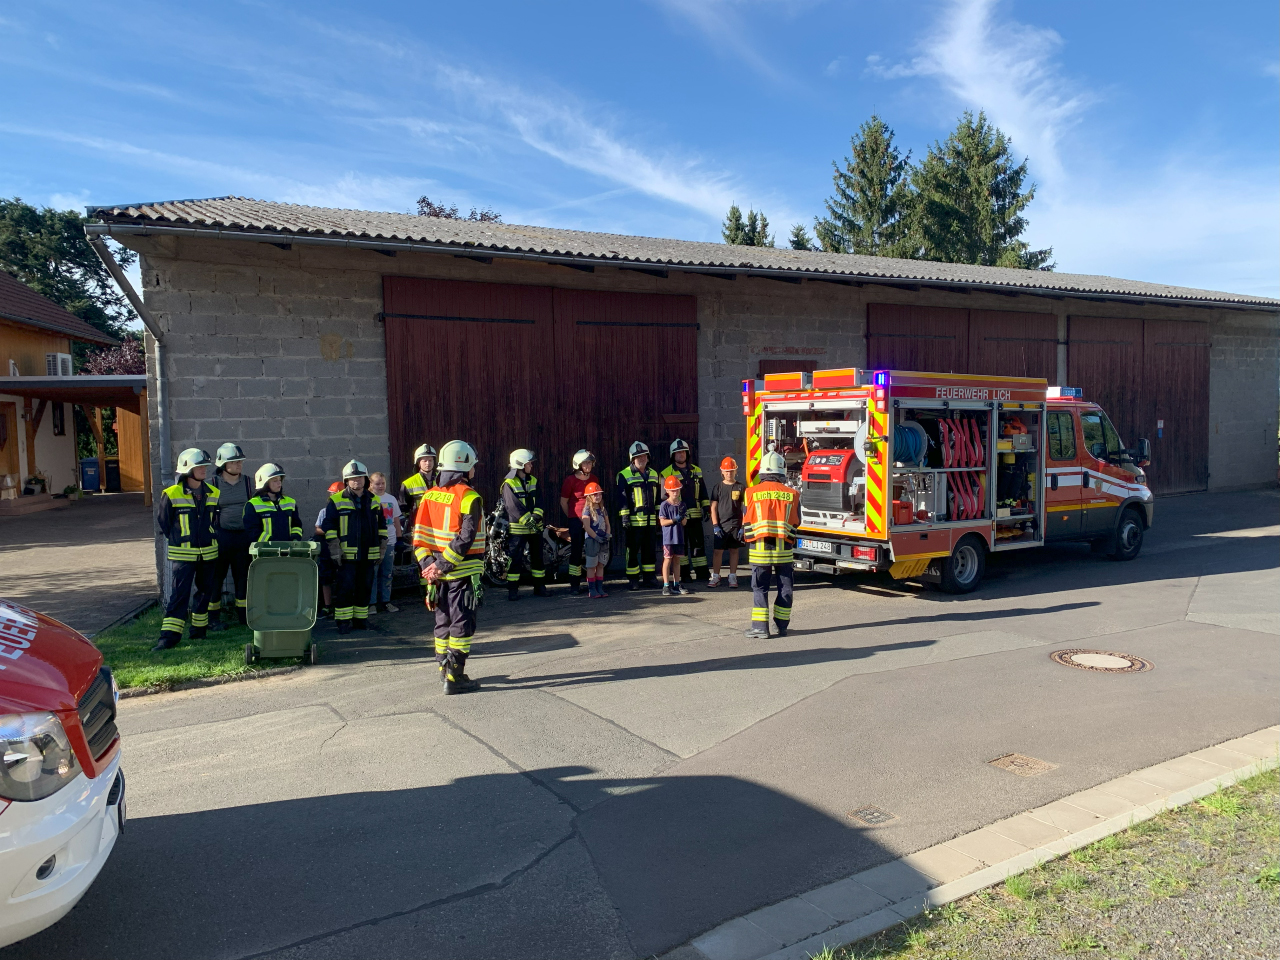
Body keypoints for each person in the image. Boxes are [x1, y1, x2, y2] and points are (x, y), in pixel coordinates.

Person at [412, 440, 485, 695]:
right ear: (463, 467)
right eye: (472, 465)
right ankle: (456, 676)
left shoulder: (429, 495)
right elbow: (465, 539)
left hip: (436, 575)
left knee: (442, 621)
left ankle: (443, 670)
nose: (475, 470)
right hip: (461, 573)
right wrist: (443, 565)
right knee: (462, 622)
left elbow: (419, 536)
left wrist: (429, 566)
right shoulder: (469, 496)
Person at [154, 448, 221, 651]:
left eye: (205, 466)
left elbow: (214, 521)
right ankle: (168, 638)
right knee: (179, 596)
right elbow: (164, 522)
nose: (204, 469)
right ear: (186, 469)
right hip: (183, 555)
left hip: (208, 553)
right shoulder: (171, 493)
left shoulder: (213, 493)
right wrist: (180, 540)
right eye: (199, 466)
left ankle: (199, 632)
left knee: (204, 594)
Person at [321, 460, 387, 634]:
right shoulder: (336, 500)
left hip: (368, 554)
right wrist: (335, 550)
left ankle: (360, 620)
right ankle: (343, 622)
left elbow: (382, 526)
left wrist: (382, 547)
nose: (356, 481)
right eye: (352, 478)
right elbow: (329, 527)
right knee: (345, 589)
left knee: (364, 589)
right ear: (346, 481)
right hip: (346, 557)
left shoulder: (374, 501)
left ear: (365, 479)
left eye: (359, 478)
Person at [741, 451, 800, 639]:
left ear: (763, 471)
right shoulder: (793, 494)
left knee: (760, 588)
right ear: (782, 471)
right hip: (784, 551)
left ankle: (760, 628)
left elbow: (746, 519)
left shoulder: (750, 493)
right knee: (785, 587)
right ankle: (781, 626)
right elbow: (797, 522)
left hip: (759, 549)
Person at [209, 442, 252, 629]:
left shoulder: (249, 483)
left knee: (243, 578)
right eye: (234, 462)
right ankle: (213, 619)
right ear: (223, 465)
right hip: (220, 537)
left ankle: (243, 618)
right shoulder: (212, 484)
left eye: (240, 461)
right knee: (216, 579)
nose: (238, 465)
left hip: (243, 538)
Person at [660, 439, 711, 583]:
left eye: (683, 452)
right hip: (678, 518)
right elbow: (663, 498)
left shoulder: (696, 470)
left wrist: (706, 508)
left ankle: (702, 573)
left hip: (695, 515)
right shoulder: (666, 473)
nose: (681, 454)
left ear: (687, 453)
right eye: (678, 452)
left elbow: (703, 492)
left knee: (698, 546)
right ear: (673, 455)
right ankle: (684, 575)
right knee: (682, 547)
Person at [502, 448, 547, 601]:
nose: (531, 466)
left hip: (535, 528)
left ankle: (539, 587)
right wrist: (529, 520)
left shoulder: (533, 480)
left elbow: (540, 501)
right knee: (515, 559)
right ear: (520, 464)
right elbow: (513, 506)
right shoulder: (508, 483)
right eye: (528, 463)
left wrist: (536, 516)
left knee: (538, 558)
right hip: (518, 529)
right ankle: (513, 590)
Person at [616, 441, 661, 590]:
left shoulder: (654, 474)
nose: (641, 459)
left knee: (650, 551)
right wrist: (625, 517)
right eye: (638, 457)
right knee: (633, 552)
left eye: (644, 456)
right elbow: (621, 498)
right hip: (634, 522)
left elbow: (658, 498)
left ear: (648, 457)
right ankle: (633, 580)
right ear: (632, 459)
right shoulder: (624, 475)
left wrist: (659, 516)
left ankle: (649, 577)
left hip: (650, 521)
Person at [398, 444, 438, 593]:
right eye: (424, 460)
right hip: (420, 528)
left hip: (441, 527)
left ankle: (439, 586)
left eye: (430, 460)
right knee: (423, 558)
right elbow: (403, 509)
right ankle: (426, 589)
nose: (428, 463)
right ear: (418, 462)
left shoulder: (442, 480)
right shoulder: (408, 484)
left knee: (439, 556)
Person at [560, 449, 599, 595]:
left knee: (592, 551)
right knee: (576, 552)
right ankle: (574, 584)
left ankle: (593, 582)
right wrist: (572, 517)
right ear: (578, 464)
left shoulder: (594, 478)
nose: (588, 465)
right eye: (585, 462)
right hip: (576, 521)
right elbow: (564, 502)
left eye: (590, 462)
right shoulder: (570, 481)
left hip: (592, 520)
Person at [708, 456, 746, 589]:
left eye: (731, 470)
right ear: (722, 472)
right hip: (721, 526)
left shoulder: (741, 487)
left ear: (736, 471)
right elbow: (713, 507)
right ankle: (716, 576)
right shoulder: (717, 487)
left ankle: (732, 576)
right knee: (717, 551)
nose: (729, 473)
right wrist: (715, 525)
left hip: (735, 525)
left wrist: (743, 526)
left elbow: (745, 508)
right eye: (726, 471)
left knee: (734, 550)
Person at [243, 463, 304, 543]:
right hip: (264, 552)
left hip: (289, 551)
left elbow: (296, 525)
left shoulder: (290, 502)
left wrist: (295, 539)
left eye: (280, 480)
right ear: (264, 483)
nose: (279, 483)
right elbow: (252, 531)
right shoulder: (252, 505)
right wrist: (272, 543)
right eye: (275, 480)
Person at [369, 472, 402, 614]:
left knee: (387, 573)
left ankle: (386, 601)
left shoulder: (391, 499)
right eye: (377, 483)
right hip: (373, 542)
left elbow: (396, 520)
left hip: (390, 541)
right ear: (370, 484)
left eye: (383, 483)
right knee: (373, 573)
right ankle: (371, 603)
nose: (381, 486)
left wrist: (399, 539)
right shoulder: (368, 498)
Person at [314, 480, 344, 619]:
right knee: (325, 578)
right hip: (326, 548)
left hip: (343, 548)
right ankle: (327, 606)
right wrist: (330, 531)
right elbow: (318, 529)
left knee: (343, 578)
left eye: (334, 494)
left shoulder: (347, 510)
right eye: (331, 494)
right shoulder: (324, 511)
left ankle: (341, 605)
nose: (331, 497)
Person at [658, 474, 689, 596]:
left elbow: (685, 522)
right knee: (667, 560)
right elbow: (662, 522)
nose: (675, 492)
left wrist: (682, 518)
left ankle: (677, 583)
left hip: (679, 537)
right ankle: (666, 585)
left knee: (677, 561)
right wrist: (674, 520)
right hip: (668, 538)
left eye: (677, 489)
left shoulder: (682, 505)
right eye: (672, 490)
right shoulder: (664, 505)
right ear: (667, 491)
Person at [581, 481, 611, 598]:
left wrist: (607, 535)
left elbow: (608, 524)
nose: (597, 497)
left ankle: (600, 588)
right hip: (592, 541)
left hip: (603, 540)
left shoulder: (603, 509)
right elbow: (587, 527)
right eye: (594, 494)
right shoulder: (587, 510)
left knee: (600, 565)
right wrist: (596, 537)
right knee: (591, 565)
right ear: (589, 496)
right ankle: (592, 589)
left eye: (599, 494)